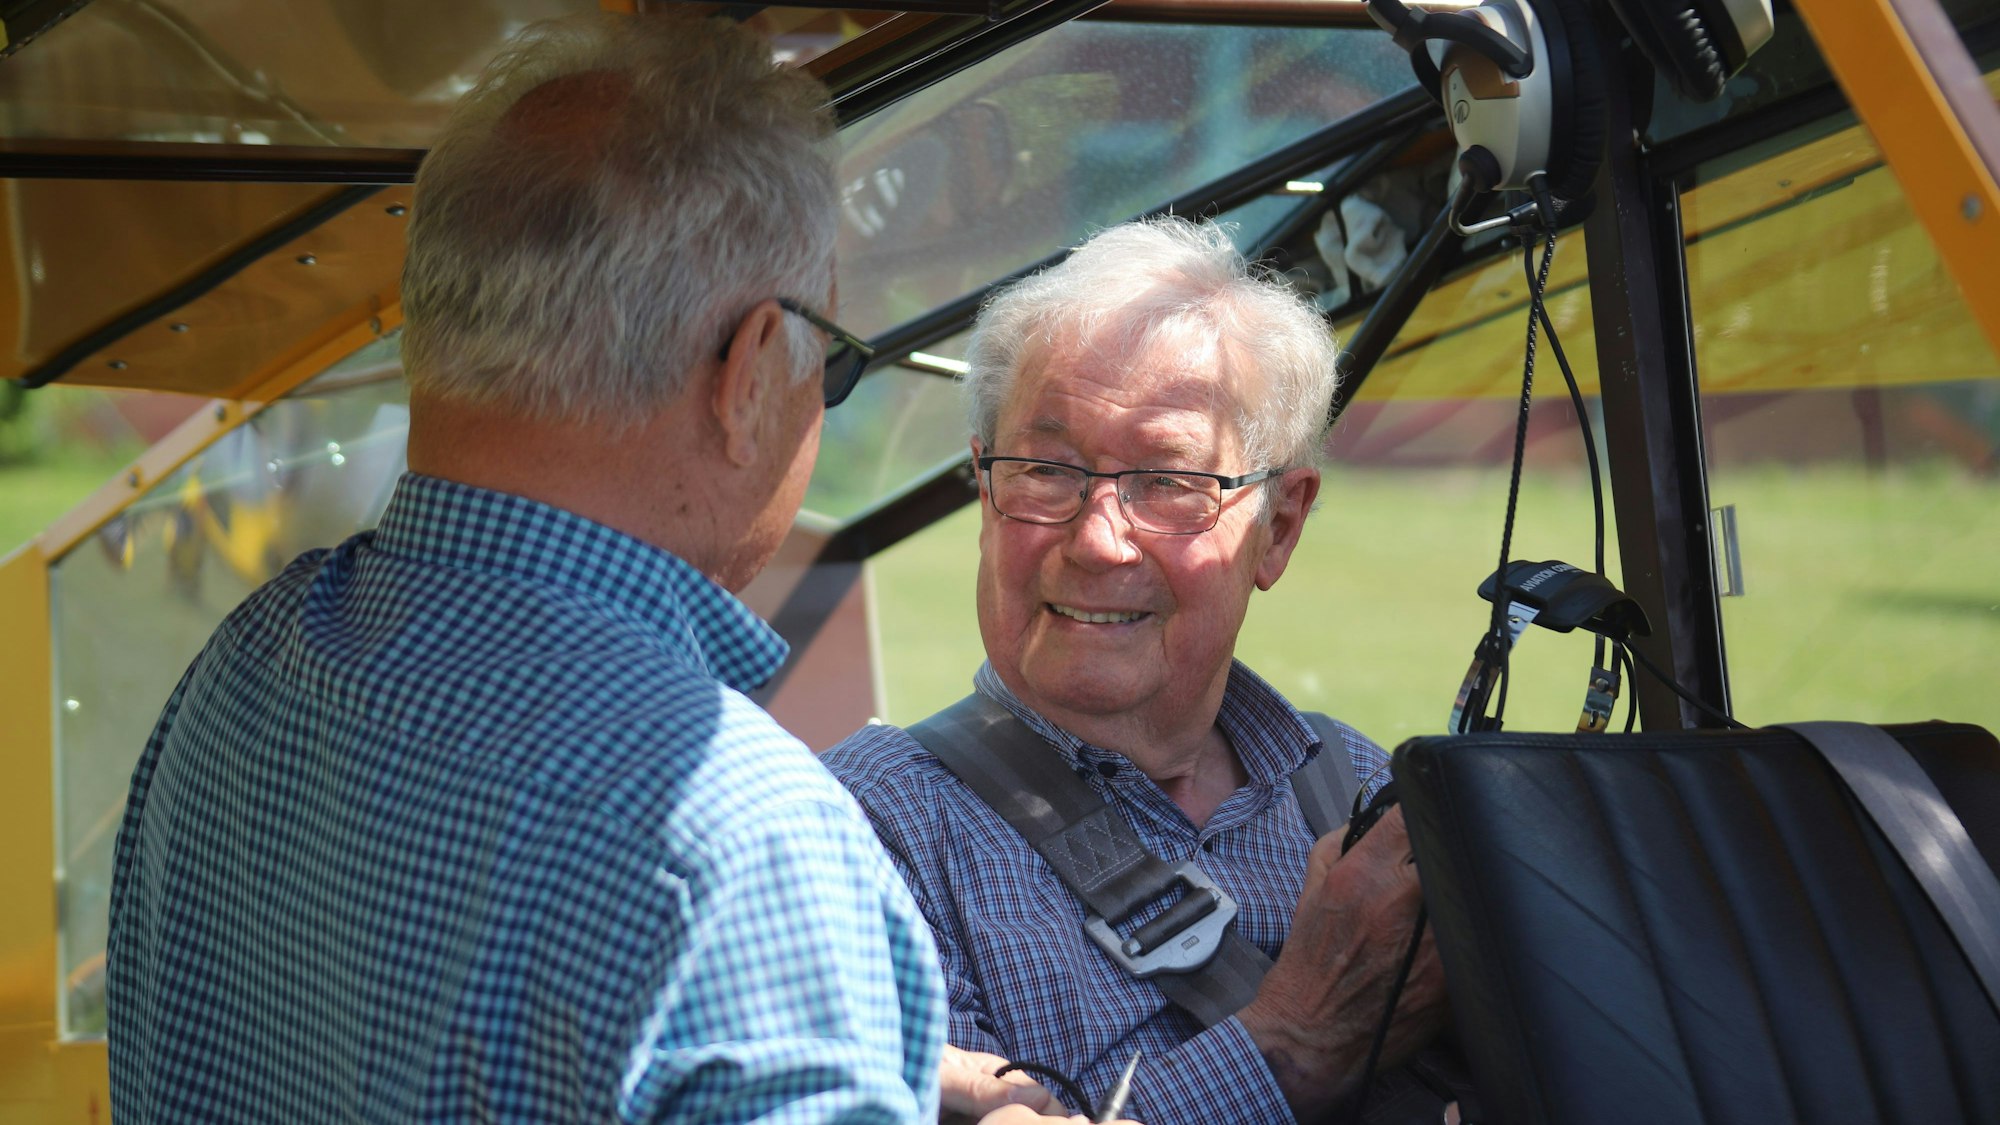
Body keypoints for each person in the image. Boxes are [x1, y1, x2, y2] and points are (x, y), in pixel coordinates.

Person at [102, 14, 1074, 1124]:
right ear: (751, 370)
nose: (818, 394)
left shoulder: (246, 664)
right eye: (832, 363)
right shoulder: (745, 846)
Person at [823, 217, 1451, 1124]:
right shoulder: (873, 831)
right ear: (984, 488)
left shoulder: (1363, 789)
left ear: (1279, 526)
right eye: (1045, 468)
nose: (1095, 539)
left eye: (1166, 481)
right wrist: (1293, 1038)